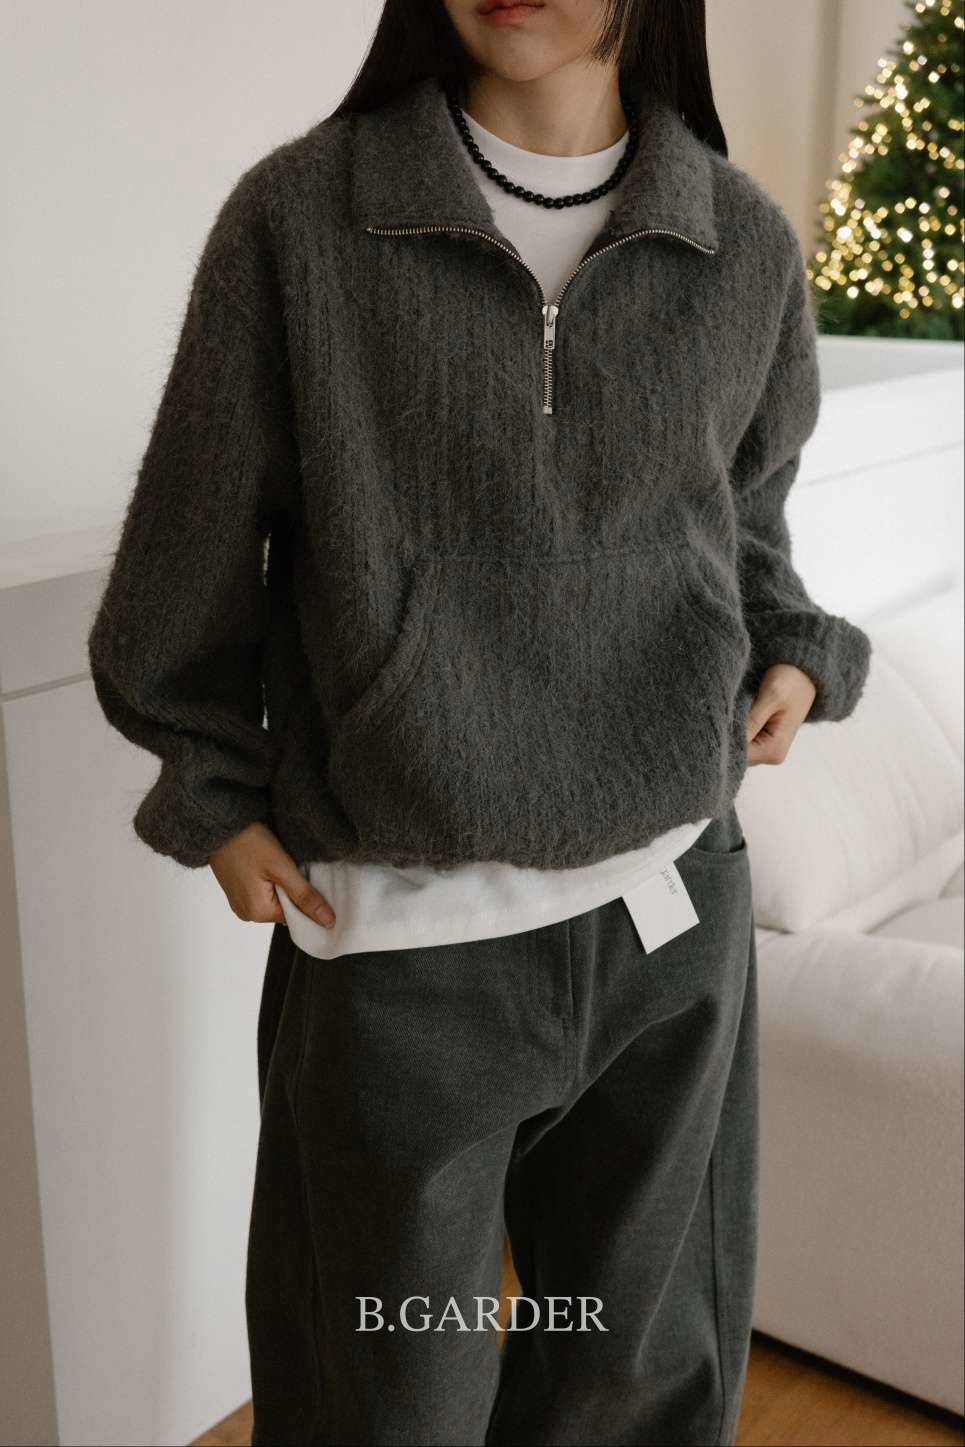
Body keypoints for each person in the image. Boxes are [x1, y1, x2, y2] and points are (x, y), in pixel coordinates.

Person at [86, 1, 872, 1442]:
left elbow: (744, 518)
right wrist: (209, 789)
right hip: (400, 940)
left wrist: (794, 649)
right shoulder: (301, 221)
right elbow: (187, 552)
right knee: (388, 1396)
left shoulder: (740, 239)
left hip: (670, 914)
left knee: (635, 1383)